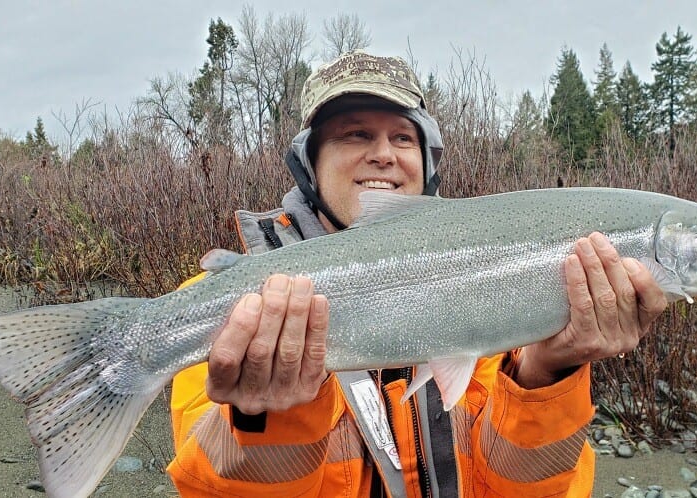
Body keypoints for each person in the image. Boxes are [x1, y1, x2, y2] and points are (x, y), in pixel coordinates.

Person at [166, 50, 667, 498]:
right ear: (309, 165)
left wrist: (546, 374)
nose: (384, 153)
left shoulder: (509, 311)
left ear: (426, 166)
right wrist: (267, 417)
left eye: (403, 137)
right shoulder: (228, 311)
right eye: (356, 133)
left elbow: (533, 491)